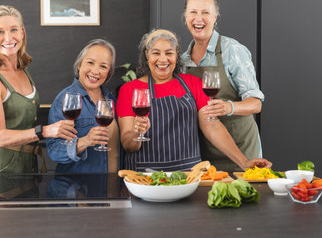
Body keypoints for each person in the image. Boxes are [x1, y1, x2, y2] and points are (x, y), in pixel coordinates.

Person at [116, 28, 271, 172]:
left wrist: (244, 162)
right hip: (144, 176)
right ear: (147, 55)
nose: (163, 59)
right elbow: (128, 144)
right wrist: (137, 133)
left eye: (169, 53)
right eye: (156, 53)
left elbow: (212, 127)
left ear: (177, 55)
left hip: (189, 175)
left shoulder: (192, 83)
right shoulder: (129, 89)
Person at [0, 5, 76, 174]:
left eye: (13, 29)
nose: (8, 37)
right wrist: (45, 131)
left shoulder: (23, 70)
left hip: (27, 165)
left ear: (22, 32)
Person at [181, 0, 265, 171]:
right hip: (203, 154)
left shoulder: (232, 50)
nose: (198, 18)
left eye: (205, 12)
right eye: (193, 12)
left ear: (215, 17)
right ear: (185, 16)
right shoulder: (182, 60)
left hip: (242, 149)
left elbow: (256, 103)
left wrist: (229, 107)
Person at [47, 39, 120, 173]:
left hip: (113, 186)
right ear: (79, 65)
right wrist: (85, 141)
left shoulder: (111, 100)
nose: (95, 71)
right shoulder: (65, 100)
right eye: (90, 63)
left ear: (109, 72)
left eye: (103, 66)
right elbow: (54, 151)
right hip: (79, 188)